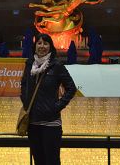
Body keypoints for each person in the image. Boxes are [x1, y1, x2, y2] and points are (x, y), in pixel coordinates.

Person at [20, 33, 76, 165]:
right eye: (39, 43)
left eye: (45, 43)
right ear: (35, 46)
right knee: (39, 161)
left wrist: (56, 107)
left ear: (50, 46)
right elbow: (23, 84)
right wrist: (26, 102)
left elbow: (71, 88)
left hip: (51, 124)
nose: (42, 46)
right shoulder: (29, 64)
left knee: (52, 161)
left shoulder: (56, 66)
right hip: (33, 124)